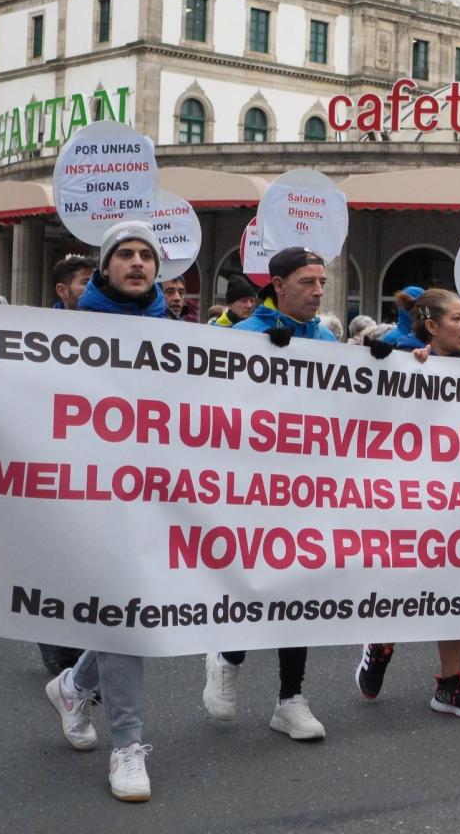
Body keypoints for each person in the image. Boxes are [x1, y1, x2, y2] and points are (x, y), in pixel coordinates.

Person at [29, 221, 166, 801]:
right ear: (104, 268)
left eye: (146, 256)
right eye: (125, 255)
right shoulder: (69, 330)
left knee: (132, 612)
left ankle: (74, 684)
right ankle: (127, 746)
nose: (137, 263)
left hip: (160, 495)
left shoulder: (180, 335)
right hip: (93, 493)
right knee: (127, 610)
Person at [201, 246, 332, 741]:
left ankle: (290, 699)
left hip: (308, 487)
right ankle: (228, 659)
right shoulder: (242, 336)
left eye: (321, 282)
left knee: (297, 587)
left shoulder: (324, 338)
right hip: (251, 487)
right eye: (307, 282)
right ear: (277, 285)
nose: (318, 291)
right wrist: (255, 358)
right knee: (254, 585)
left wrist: (380, 363)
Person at [356, 288, 460, 718]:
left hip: (459, 498)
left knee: (457, 585)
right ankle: (379, 641)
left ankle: (449, 686)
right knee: (404, 581)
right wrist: (390, 366)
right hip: (404, 496)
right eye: (456, 318)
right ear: (431, 326)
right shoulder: (397, 357)